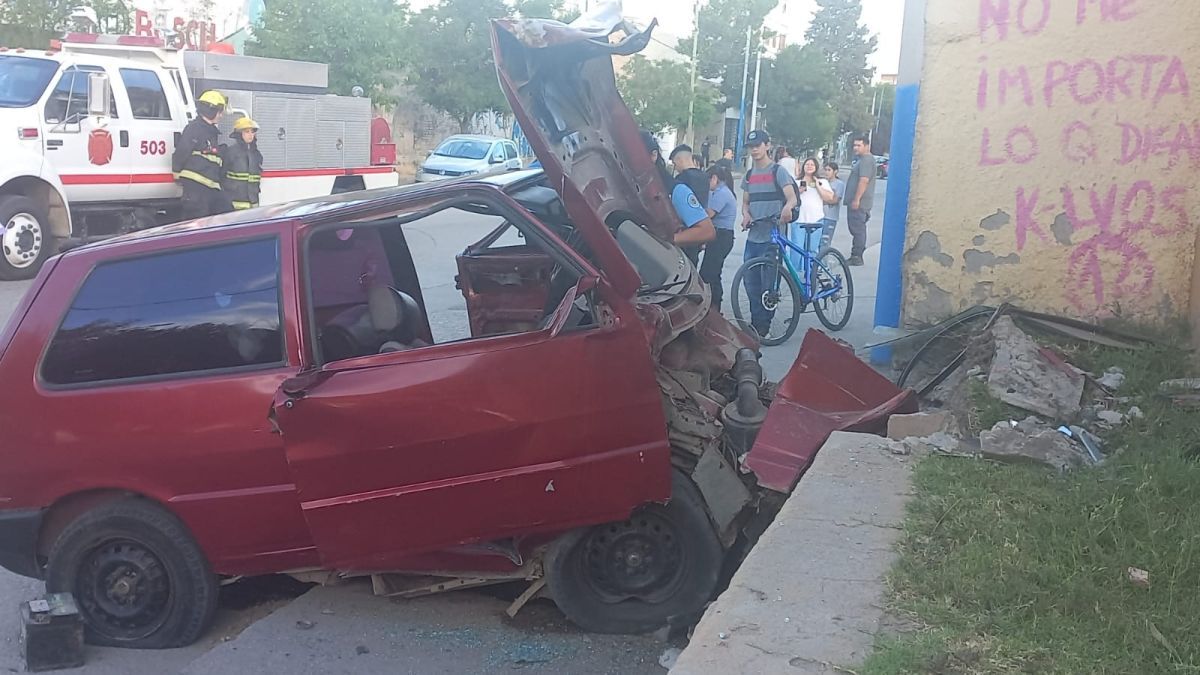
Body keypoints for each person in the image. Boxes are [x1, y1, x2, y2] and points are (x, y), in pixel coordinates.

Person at [740, 130, 798, 340]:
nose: (754, 149)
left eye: (758, 145)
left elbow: (791, 198)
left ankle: (763, 325)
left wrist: (787, 209)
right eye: (751, 146)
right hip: (754, 234)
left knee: (768, 285)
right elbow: (746, 202)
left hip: (773, 236)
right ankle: (756, 323)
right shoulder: (749, 175)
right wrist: (746, 214)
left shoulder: (778, 171)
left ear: (767, 145)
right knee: (750, 281)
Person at [641, 131, 716, 250]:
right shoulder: (702, 176)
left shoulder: (675, 189)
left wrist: (666, 240)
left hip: (674, 256)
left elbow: (707, 231)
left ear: (654, 155)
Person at [173, 90, 232, 220]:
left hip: (210, 187)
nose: (221, 115)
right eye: (219, 111)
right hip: (196, 187)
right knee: (196, 223)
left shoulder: (211, 132)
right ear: (211, 110)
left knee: (227, 212)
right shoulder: (195, 128)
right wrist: (176, 172)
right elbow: (182, 150)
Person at [701, 164, 737, 309]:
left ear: (714, 178)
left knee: (709, 274)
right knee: (713, 272)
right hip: (719, 236)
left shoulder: (722, 193)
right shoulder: (719, 191)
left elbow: (708, 214)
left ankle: (714, 306)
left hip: (721, 236)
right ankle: (715, 305)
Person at [844, 134, 877, 266]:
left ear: (867, 146)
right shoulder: (862, 160)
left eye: (859, 145)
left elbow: (864, 180)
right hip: (859, 202)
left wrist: (856, 199)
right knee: (857, 228)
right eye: (854, 145)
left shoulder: (866, 160)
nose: (855, 148)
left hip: (860, 203)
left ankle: (857, 256)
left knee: (858, 229)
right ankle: (856, 254)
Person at [794, 158, 836, 258]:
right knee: (797, 249)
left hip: (816, 219)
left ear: (816, 167)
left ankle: (811, 271)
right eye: (807, 164)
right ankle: (796, 272)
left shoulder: (822, 182)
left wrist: (818, 186)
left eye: (812, 164)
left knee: (813, 249)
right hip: (799, 219)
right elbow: (788, 198)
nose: (809, 166)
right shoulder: (796, 182)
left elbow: (829, 197)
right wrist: (798, 192)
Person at [220, 117, 264, 210]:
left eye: (252, 132)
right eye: (247, 132)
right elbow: (221, 176)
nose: (250, 135)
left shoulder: (256, 154)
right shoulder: (230, 153)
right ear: (239, 134)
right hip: (234, 202)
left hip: (253, 203)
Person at [820, 162, 845, 250]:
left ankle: (824, 262)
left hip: (830, 216)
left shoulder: (839, 184)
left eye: (829, 170)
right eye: (825, 170)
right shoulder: (822, 182)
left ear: (835, 171)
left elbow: (835, 200)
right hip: (820, 215)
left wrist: (824, 199)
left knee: (825, 242)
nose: (827, 172)